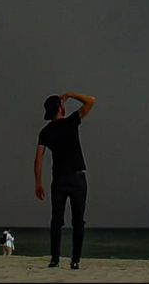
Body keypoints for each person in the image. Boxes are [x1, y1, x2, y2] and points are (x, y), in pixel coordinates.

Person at [34, 90, 96, 270]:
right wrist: (69, 94)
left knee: (56, 221)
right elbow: (91, 101)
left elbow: (38, 159)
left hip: (59, 180)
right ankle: (75, 260)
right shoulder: (71, 121)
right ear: (60, 108)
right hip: (77, 178)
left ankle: (55, 259)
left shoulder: (45, 131)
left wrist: (38, 183)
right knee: (78, 221)